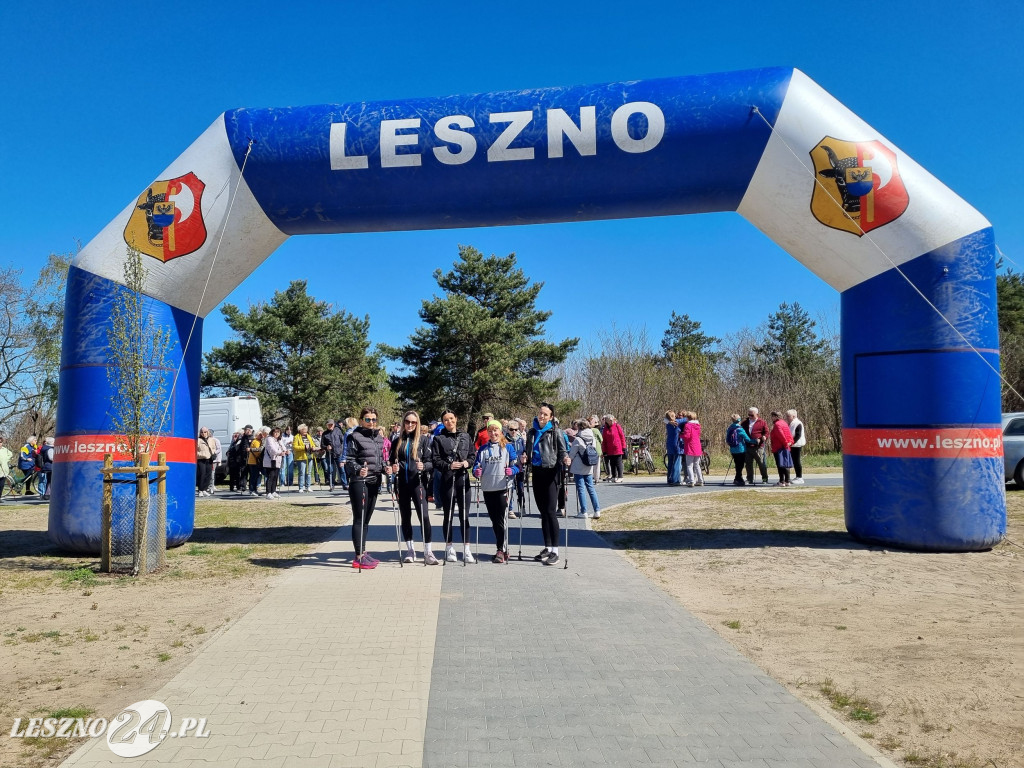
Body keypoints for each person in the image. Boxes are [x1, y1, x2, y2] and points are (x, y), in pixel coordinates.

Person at [390, 411, 438, 564]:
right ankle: (410, 550)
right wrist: (393, 468)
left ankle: (428, 551)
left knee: (424, 517)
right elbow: (391, 462)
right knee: (405, 517)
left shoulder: (424, 440)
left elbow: (432, 462)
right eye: (407, 422)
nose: (410, 425)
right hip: (402, 485)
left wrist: (424, 466)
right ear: (403, 422)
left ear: (417, 424)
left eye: (413, 422)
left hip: (419, 484)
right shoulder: (397, 441)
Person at [525, 403, 569, 565]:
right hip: (536, 473)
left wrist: (565, 458)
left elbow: (563, 450)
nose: (541, 416)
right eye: (540, 413)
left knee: (550, 511)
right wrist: (525, 457)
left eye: (545, 414)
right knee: (543, 512)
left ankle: (555, 551)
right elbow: (527, 451)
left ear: (551, 417)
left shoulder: (556, 431)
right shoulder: (531, 432)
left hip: (551, 472)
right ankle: (547, 547)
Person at [346, 408, 388, 569]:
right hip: (359, 481)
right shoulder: (354, 436)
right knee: (359, 518)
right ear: (361, 420)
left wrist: (386, 468)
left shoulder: (378, 437)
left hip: (374, 481)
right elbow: (349, 460)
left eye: (373, 419)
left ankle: (363, 551)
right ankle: (358, 556)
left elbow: (380, 460)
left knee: (367, 520)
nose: (371, 422)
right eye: (368, 419)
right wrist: (358, 469)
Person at [430, 410, 475, 564]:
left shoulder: (466, 436)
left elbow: (472, 455)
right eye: (445, 420)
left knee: (465, 516)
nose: (449, 422)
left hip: (463, 481)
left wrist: (468, 463)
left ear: (456, 418)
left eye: (451, 418)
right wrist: (449, 465)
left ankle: (467, 549)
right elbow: (435, 460)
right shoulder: (438, 438)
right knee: (448, 516)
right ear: (443, 422)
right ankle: (449, 547)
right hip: (447, 481)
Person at [472, 419, 519, 563]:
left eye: (495, 430)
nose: (493, 433)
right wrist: (476, 472)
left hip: (503, 487)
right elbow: (476, 467)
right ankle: (502, 548)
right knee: (494, 520)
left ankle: (502, 550)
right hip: (488, 487)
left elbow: (516, 466)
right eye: (490, 431)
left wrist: (512, 470)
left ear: (500, 431)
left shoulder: (508, 447)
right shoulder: (483, 449)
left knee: (501, 520)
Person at [568, 419, 601, 519]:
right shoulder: (592, 438)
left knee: (581, 489)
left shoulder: (578, 439)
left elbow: (572, 454)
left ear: (579, 427)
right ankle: (597, 510)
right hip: (589, 465)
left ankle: (584, 511)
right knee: (591, 488)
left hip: (579, 466)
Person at [741, 407, 770, 486]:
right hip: (748, 446)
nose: (750, 416)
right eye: (749, 414)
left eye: (752, 415)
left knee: (761, 463)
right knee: (748, 464)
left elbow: (766, 432)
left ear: (757, 414)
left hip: (758, 446)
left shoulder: (762, 422)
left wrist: (764, 437)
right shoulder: (745, 422)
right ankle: (749, 479)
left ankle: (764, 478)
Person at [506, 419, 527, 518]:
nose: (513, 431)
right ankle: (510, 509)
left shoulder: (520, 439)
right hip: (509, 467)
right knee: (510, 488)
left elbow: (524, 451)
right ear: (508, 429)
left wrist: (524, 457)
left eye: (515, 429)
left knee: (520, 487)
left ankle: (522, 506)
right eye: (511, 429)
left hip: (519, 467)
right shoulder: (504, 440)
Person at [725, 414, 753, 485]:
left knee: (737, 464)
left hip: (733, 449)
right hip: (741, 449)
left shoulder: (730, 428)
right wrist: (755, 441)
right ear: (739, 420)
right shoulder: (740, 429)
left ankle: (737, 478)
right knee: (740, 465)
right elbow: (747, 439)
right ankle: (739, 479)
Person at [769, 412, 794, 486]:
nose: (772, 418)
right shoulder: (784, 423)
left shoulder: (777, 424)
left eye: (773, 416)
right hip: (785, 446)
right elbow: (789, 434)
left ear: (776, 417)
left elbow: (781, 435)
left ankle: (782, 481)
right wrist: (790, 442)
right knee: (786, 463)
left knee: (780, 464)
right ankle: (787, 480)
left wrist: (786, 443)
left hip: (779, 447)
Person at [292, 424, 317, 493]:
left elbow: (312, 444)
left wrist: (313, 447)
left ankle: (308, 486)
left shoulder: (308, 436)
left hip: (309, 456)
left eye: (306, 429)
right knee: (302, 472)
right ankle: (301, 487)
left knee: (308, 472)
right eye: (304, 429)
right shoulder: (296, 437)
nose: (306, 431)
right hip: (301, 457)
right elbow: (294, 447)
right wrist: (303, 447)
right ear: (300, 430)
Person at [601, 415, 626, 484]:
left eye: (612, 420)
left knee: (618, 462)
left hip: (617, 447)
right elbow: (604, 440)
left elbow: (622, 437)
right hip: (609, 448)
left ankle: (620, 476)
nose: (611, 421)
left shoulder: (617, 426)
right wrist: (604, 450)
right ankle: (614, 476)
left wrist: (624, 447)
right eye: (610, 420)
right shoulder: (605, 429)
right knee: (612, 463)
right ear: (607, 421)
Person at [682, 411, 704, 487]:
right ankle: (700, 480)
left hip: (690, 446)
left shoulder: (688, 425)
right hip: (697, 446)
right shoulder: (698, 425)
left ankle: (691, 481)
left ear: (688, 418)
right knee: (697, 465)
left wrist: (681, 435)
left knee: (689, 465)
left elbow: (687, 436)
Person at [262, 427, 286, 499]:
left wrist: (286, 451)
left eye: (278, 432)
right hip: (270, 460)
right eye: (275, 432)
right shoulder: (269, 439)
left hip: (278, 460)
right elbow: (272, 449)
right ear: (272, 432)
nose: (277, 434)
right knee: (271, 476)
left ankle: (273, 491)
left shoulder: (279, 439)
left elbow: (283, 447)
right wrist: (280, 453)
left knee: (276, 476)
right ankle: (268, 492)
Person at [321, 419, 344, 491]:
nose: (330, 426)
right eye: (329, 425)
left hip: (338, 453)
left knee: (342, 470)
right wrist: (326, 447)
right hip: (330, 454)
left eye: (331, 424)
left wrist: (342, 450)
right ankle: (332, 485)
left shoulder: (338, 431)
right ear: (327, 425)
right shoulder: (324, 434)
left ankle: (345, 484)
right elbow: (322, 445)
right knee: (331, 470)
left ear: (334, 425)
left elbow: (342, 441)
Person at [786, 409, 806, 485]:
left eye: (789, 416)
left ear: (793, 416)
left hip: (797, 445)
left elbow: (798, 435)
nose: (787, 417)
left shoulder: (798, 423)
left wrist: (791, 442)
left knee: (797, 461)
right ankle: (797, 476)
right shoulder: (790, 423)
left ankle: (800, 477)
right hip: (792, 445)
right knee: (794, 461)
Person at [196, 427, 216, 497]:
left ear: (208, 432)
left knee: (208, 474)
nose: (203, 433)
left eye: (205, 432)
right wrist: (200, 454)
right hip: (201, 459)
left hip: (209, 459)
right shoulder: (198, 440)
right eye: (202, 432)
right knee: (202, 474)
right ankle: (200, 490)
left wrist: (213, 453)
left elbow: (214, 448)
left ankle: (204, 489)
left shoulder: (212, 440)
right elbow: (195, 450)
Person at [664, 410, 682, 486]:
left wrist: (668, 421)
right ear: (672, 417)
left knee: (670, 462)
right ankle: (675, 479)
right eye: (674, 416)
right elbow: (684, 419)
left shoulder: (668, 424)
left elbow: (664, 420)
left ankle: (669, 479)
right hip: (676, 445)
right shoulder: (676, 423)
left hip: (669, 444)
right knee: (677, 462)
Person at [246, 428, 265, 495]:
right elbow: (258, 451)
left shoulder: (260, 441)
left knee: (256, 476)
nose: (261, 436)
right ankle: (252, 490)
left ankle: (254, 489)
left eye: (261, 435)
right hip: (253, 461)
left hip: (256, 461)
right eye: (260, 435)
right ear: (256, 435)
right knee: (253, 476)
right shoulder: (256, 441)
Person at [589, 415, 604, 482]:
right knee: (597, 466)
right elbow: (601, 439)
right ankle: (596, 479)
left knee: (590, 465)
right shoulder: (595, 430)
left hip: (588, 450)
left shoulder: (585, 431)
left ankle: (590, 478)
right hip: (596, 449)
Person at [0, 436, 13, 501]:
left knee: (1, 485)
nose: (0, 444)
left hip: (4, 471)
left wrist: (6, 460)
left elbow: (10, 454)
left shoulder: (5, 450)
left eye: (1, 442)